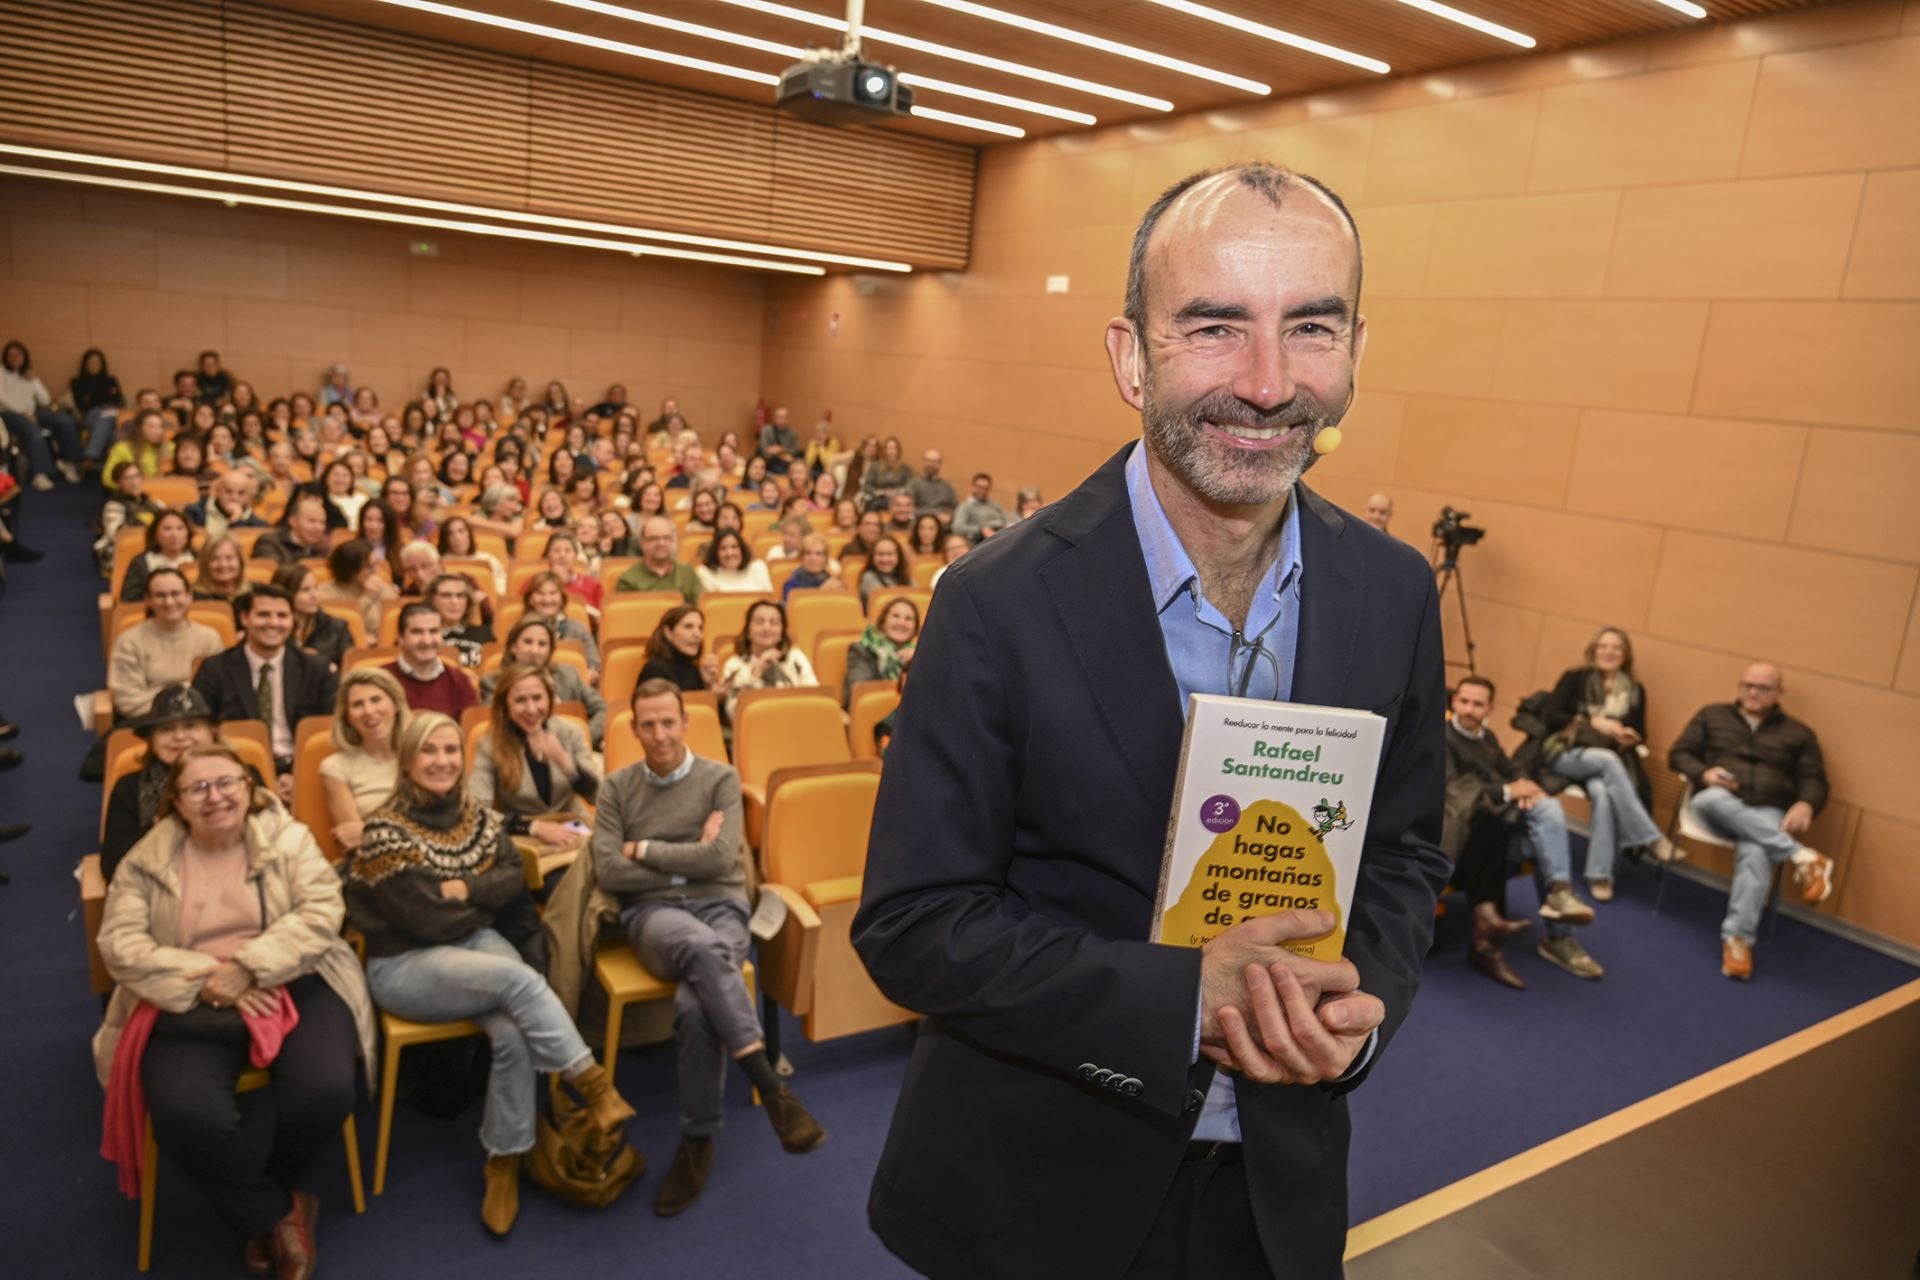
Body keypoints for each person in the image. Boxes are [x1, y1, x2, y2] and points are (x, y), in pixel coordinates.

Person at [851, 163, 1450, 1279]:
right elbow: (914, 919)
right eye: (1216, 326)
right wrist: (1183, 1001)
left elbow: (1407, 849)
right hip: (1037, 1187)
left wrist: (1359, 1006)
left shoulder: (1396, 589)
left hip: (1279, 1186)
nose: (1269, 384)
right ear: (1132, 357)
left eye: (1310, 326)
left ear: (1356, 348)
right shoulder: (994, 600)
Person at [95, 741, 374, 1280]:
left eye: (228, 783)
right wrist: (207, 974)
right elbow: (119, 945)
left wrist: (251, 965)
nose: (215, 796)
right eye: (197, 787)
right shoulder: (146, 859)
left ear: (250, 790)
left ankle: (274, 1187)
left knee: (327, 1090)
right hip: (187, 994)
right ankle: (278, 1213)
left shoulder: (287, 838)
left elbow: (323, 911)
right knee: (186, 1118)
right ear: (175, 802)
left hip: (292, 976)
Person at [346, 713, 633, 1237]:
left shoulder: (476, 814)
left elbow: (509, 881)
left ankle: (503, 1161)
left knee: (513, 1032)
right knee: (521, 981)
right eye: (429, 752)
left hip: (474, 947)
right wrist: (475, 898)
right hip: (407, 963)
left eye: (451, 750)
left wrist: (467, 889)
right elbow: (425, 919)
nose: (442, 762)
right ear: (408, 760)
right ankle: (593, 1086)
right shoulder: (385, 828)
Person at [589, 679, 825, 1214]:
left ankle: (697, 1141)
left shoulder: (721, 778)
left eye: (668, 722)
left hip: (722, 906)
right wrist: (684, 862)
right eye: (647, 724)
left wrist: (646, 850)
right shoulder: (616, 788)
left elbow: (722, 861)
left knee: (695, 1007)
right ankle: (773, 1090)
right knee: (700, 947)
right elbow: (609, 869)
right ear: (633, 727)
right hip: (654, 916)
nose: (658, 734)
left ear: (685, 722)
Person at [1668, 663, 1833, 982]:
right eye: (1747, 685)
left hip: (1767, 811)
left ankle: (1738, 940)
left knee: (1757, 851)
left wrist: (1805, 803)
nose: (1752, 693)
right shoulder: (1712, 715)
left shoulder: (1799, 733)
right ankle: (1803, 857)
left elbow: (1814, 779)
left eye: (1762, 688)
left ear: (1779, 693)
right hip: (1716, 806)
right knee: (1710, 798)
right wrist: (1705, 774)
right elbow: (1679, 754)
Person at [1444, 677, 1599, 989]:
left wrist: (1526, 786)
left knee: (1545, 817)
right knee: (1490, 825)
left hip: (1494, 826)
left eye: (1477, 704)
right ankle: (1489, 942)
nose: (1469, 710)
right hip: (1454, 832)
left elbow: (1512, 769)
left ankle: (1559, 902)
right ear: (1454, 702)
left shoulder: (1486, 738)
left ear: (1490, 708)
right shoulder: (1441, 738)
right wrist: (1505, 791)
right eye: (1463, 702)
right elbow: (1450, 790)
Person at [1540, 627, 1671, 901]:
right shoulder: (1575, 677)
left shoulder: (1635, 690)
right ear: (1593, 650)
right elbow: (1550, 716)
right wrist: (1590, 722)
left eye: (1616, 648)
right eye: (1603, 646)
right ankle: (1649, 836)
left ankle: (1600, 874)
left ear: (1625, 656)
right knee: (1609, 760)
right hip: (1567, 753)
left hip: (1607, 763)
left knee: (1603, 792)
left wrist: (1630, 736)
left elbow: (1640, 732)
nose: (1609, 652)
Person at [192, 585, 340, 799]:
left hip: (304, 771)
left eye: (282, 616)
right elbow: (203, 732)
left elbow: (328, 730)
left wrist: (299, 774)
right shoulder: (214, 670)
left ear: (292, 621)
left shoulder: (317, 669)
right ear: (245, 618)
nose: (273, 623)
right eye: (263, 615)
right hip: (237, 774)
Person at [471, 664, 601, 863]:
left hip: (574, 829)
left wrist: (566, 764)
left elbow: (599, 797)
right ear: (505, 705)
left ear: (549, 699)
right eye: (521, 701)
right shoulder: (489, 745)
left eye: (537, 698)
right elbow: (477, 812)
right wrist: (534, 827)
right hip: (526, 838)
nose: (531, 709)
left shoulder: (570, 732)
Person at [101, 685, 224, 878]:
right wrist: (162, 824)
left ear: (212, 732)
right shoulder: (129, 787)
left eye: (190, 726)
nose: (180, 737)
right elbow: (112, 867)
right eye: (166, 729)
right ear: (152, 740)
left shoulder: (240, 778)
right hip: (160, 889)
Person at [481, 616, 607, 748]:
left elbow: (603, 710)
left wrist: (580, 740)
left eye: (542, 644)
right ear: (513, 647)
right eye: (528, 642)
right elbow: (493, 725)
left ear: (550, 650)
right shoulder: (493, 682)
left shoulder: (569, 675)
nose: (535, 651)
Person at [319, 669, 407, 856]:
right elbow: (352, 841)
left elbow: (440, 826)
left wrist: (369, 831)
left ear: (396, 705)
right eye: (358, 704)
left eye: (376, 700)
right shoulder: (335, 767)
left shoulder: (419, 756)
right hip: (372, 865)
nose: (368, 711)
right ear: (348, 717)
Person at [0, 338, 84, 488]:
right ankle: (40, 474)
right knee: (33, 430)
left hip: (33, 412)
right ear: (5, 357)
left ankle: (67, 462)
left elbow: (45, 400)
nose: (14, 358)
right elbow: (2, 398)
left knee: (65, 420)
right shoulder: (1, 372)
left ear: (24, 357)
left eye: (18, 354)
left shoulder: (29, 376)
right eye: (11, 354)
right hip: (9, 415)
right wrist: (23, 413)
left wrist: (35, 380)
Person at [718, 601, 817, 718]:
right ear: (748, 631)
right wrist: (757, 673)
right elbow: (734, 713)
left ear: (781, 633)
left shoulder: (795, 657)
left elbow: (813, 697)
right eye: (759, 622)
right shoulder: (734, 665)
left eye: (774, 623)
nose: (766, 627)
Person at [383, 603, 479, 718]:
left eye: (434, 631)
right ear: (401, 638)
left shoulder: (459, 680)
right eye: (417, 632)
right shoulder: (381, 680)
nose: (427, 640)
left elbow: (469, 730)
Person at [274, 563, 354, 674]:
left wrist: (322, 664)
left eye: (316, 588)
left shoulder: (337, 628)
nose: (315, 595)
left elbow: (349, 669)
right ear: (286, 593)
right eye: (305, 590)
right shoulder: (273, 628)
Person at [521, 573, 601, 675]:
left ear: (562, 598)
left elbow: (595, 667)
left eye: (553, 593)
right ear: (530, 599)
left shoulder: (578, 629)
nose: (547, 599)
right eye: (540, 593)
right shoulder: (519, 631)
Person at [843, 596, 918, 703]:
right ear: (883, 621)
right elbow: (862, 692)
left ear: (915, 628)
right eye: (895, 616)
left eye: (908, 619)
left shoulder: (920, 655)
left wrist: (917, 660)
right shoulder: (862, 650)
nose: (901, 623)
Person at [319, 539, 397, 640]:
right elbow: (343, 624)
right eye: (369, 567)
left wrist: (386, 591)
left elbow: (394, 617)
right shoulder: (327, 591)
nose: (376, 571)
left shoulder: (379, 585)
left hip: (381, 647)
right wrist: (368, 597)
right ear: (351, 569)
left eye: (376, 564)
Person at [615, 516, 702, 603]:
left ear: (672, 541)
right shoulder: (628, 580)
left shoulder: (687, 573)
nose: (661, 543)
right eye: (654, 538)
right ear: (642, 543)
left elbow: (701, 609)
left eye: (666, 538)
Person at [120, 511, 197, 604]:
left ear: (188, 533)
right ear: (155, 534)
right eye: (167, 529)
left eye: (180, 528)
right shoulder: (141, 562)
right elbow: (129, 598)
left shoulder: (199, 559)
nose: (174, 534)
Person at [639, 605, 716, 693]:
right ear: (668, 632)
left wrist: (708, 687)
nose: (697, 634)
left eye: (700, 628)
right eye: (688, 627)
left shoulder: (694, 668)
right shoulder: (655, 670)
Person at [71, 347, 127, 466]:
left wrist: (93, 397)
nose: (95, 365)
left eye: (98, 362)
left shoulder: (110, 379)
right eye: (92, 362)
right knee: (107, 422)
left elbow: (118, 399)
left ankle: (92, 458)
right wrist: (104, 395)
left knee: (113, 429)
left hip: (112, 411)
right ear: (85, 363)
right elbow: (82, 404)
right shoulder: (78, 381)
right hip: (91, 413)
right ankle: (103, 459)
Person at [426, 573, 494, 669]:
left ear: (468, 601)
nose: (454, 601)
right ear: (431, 599)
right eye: (446, 595)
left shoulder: (487, 634)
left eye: (460, 596)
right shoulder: (421, 636)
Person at [253, 492, 332, 566]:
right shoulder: (269, 543)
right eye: (312, 521)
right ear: (293, 521)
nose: (318, 528)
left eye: (322, 522)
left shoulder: (323, 548)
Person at [186, 470, 267, 536]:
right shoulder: (194, 513)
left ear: (248, 497)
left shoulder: (259, 525)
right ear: (217, 491)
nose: (234, 498)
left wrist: (236, 520)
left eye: (241, 493)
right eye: (228, 491)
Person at [695, 530, 772, 595]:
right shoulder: (705, 572)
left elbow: (769, 600)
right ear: (715, 552)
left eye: (734, 547)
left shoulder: (758, 567)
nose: (729, 553)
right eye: (723, 548)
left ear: (742, 549)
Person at [191, 535, 250, 611]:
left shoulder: (254, 594)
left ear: (240, 562)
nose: (223, 565)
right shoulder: (192, 597)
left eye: (229, 558)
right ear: (204, 564)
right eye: (214, 559)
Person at [782, 534, 842, 601]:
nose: (813, 558)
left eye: (819, 554)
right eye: (808, 553)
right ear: (802, 557)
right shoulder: (791, 584)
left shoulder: (834, 582)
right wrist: (821, 591)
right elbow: (795, 608)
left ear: (826, 558)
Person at [857, 536, 912, 609]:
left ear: (898, 556)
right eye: (880, 554)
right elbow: (885, 604)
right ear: (872, 557)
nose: (885, 559)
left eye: (889, 554)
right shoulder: (868, 577)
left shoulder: (906, 578)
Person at [951, 473, 1007, 542]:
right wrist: (980, 529)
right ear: (972, 487)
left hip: (1001, 536)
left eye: (986, 488)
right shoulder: (965, 506)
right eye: (980, 487)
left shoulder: (996, 505)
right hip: (979, 541)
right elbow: (957, 529)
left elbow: (1006, 521)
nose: (983, 491)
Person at [860, 436, 912, 511]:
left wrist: (896, 492)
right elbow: (867, 485)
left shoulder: (905, 468)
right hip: (878, 498)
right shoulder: (875, 466)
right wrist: (877, 492)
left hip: (898, 500)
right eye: (888, 449)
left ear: (898, 451)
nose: (890, 452)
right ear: (884, 451)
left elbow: (910, 487)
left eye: (893, 449)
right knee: (875, 504)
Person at [906, 449, 957, 522]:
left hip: (943, 524)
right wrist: (935, 515)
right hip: (920, 523)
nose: (931, 464)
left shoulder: (947, 486)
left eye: (935, 462)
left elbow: (956, 508)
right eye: (928, 461)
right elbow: (907, 509)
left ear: (940, 464)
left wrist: (950, 516)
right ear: (923, 462)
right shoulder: (914, 484)